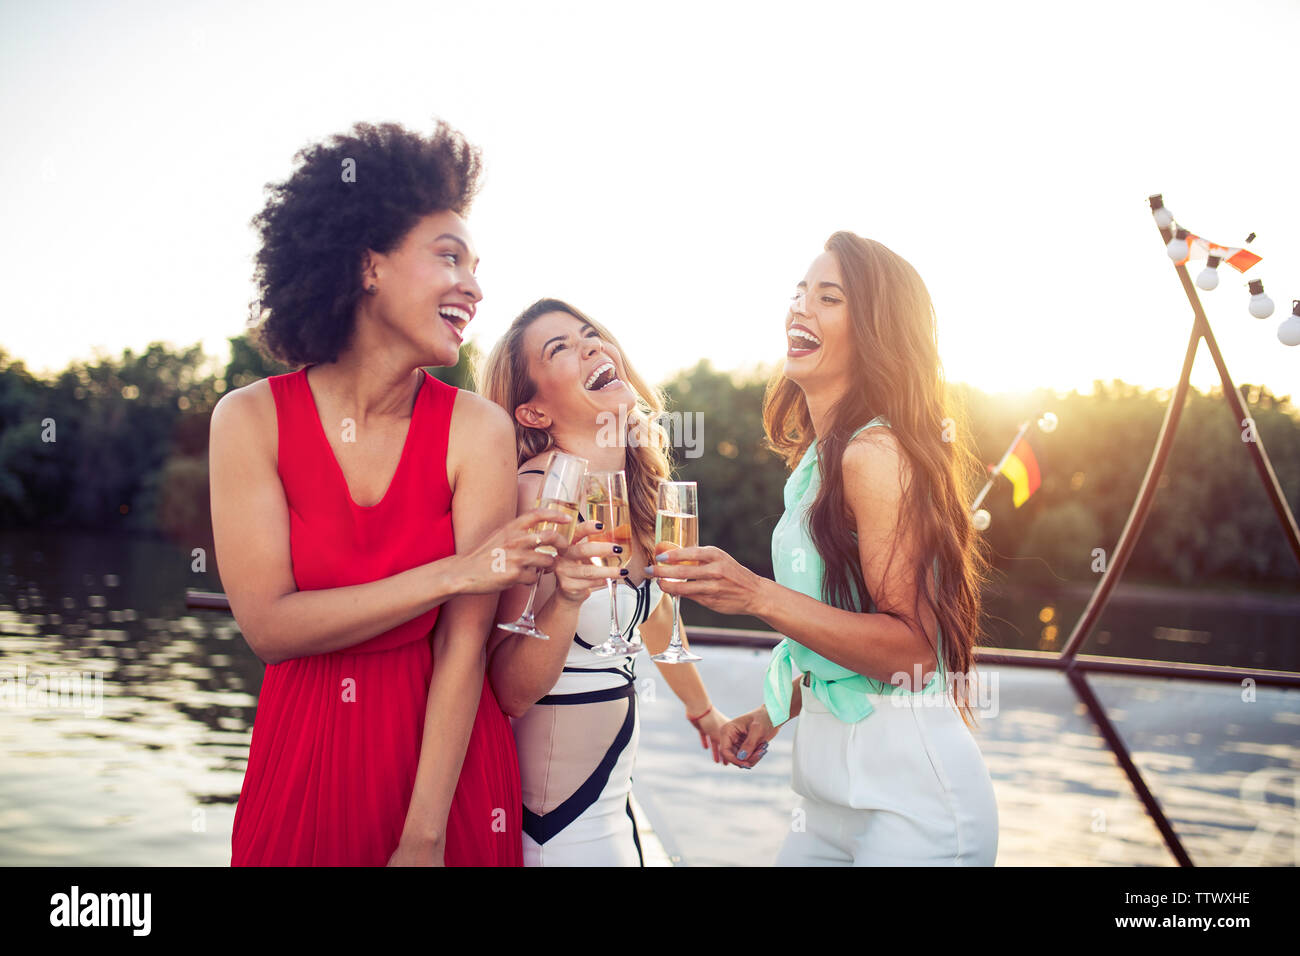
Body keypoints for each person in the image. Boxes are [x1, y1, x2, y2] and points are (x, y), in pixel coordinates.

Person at [209, 120, 568, 866]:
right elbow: (270, 628)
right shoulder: (248, 420)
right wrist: (452, 573)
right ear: (368, 266)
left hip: (444, 773)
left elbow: (464, 643)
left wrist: (424, 837)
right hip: (304, 763)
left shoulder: (478, 429)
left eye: (476, 265)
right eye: (448, 257)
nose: (473, 286)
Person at [647, 232, 1000, 866]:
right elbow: (843, 637)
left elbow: (913, 651)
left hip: (911, 807)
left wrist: (756, 595)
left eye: (828, 297)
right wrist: (775, 710)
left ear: (876, 330)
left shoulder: (876, 454)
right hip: (826, 802)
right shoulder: (820, 461)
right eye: (799, 293)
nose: (799, 309)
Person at [479, 298, 731, 866]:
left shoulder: (636, 493)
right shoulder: (537, 494)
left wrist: (704, 713)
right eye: (560, 348)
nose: (590, 345)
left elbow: (657, 614)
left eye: (590, 334)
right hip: (555, 823)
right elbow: (508, 692)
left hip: (616, 803)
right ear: (534, 413)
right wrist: (567, 599)